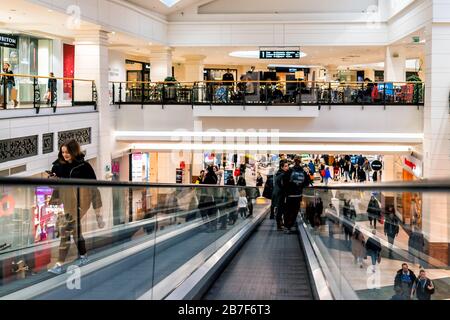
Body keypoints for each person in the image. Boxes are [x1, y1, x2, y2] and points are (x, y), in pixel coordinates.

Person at [48, 140, 103, 274]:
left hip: (81, 201)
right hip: (66, 201)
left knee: (67, 228)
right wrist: (52, 180)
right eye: (63, 152)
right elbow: (53, 186)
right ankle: (83, 256)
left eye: (67, 152)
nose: (65, 154)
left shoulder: (84, 166)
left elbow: (94, 189)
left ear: (74, 151)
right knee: (75, 230)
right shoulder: (57, 166)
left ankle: (59, 264)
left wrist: (98, 214)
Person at [284, 156, 310, 234]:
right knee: (295, 211)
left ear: (294, 161)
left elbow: (285, 181)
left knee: (288, 211)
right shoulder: (303, 171)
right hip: (298, 195)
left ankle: (287, 227)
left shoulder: (290, 170)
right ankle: (291, 225)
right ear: (300, 161)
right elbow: (307, 183)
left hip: (290, 195)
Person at [272, 160, 290, 230]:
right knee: (280, 210)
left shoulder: (278, 173)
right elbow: (283, 186)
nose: (287, 167)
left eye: (287, 166)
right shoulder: (283, 174)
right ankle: (279, 225)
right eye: (285, 166)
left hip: (277, 194)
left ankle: (280, 223)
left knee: (280, 209)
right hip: (280, 194)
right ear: (282, 167)